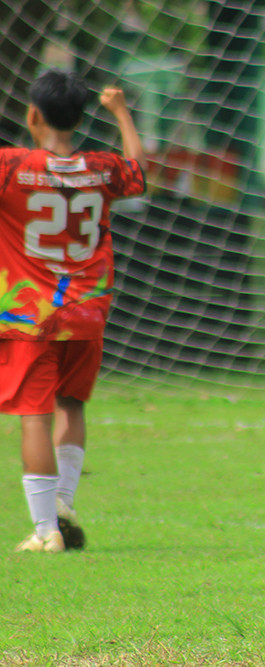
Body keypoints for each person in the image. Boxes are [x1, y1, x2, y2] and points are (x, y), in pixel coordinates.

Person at [0, 70, 147, 552]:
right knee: (72, 404)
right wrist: (122, 113)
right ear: (81, 117)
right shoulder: (102, 168)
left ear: (33, 115)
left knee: (33, 416)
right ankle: (63, 503)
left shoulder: (11, 166)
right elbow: (139, 173)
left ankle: (45, 531)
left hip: (29, 315)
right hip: (87, 311)